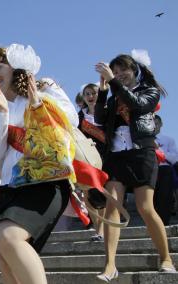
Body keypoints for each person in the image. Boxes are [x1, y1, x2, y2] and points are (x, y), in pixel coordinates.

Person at [0, 44, 76, 284]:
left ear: (15, 67)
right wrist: (2, 110)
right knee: (3, 254)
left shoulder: (44, 88)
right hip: (10, 188)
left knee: (10, 237)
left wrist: (37, 104)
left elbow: (70, 120)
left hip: (45, 181)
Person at [94, 51, 175, 281]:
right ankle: (110, 265)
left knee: (145, 208)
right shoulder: (112, 96)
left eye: (123, 71)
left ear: (134, 70)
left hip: (141, 154)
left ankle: (166, 258)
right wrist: (102, 91)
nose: (119, 75)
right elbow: (100, 119)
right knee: (112, 209)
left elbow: (137, 105)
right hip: (116, 157)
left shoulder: (150, 91)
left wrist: (113, 82)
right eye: (115, 72)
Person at [78, 83, 107, 241]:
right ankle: (98, 229)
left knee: (102, 193)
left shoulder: (106, 112)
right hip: (87, 158)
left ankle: (104, 228)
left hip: (104, 157)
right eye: (87, 94)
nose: (90, 97)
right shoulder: (79, 116)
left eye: (93, 93)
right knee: (87, 193)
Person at [153, 115, 178, 225]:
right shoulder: (143, 139)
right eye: (152, 123)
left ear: (161, 124)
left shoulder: (168, 140)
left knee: (164, 196)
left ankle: (164, 222)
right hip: (149, 170)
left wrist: (159, 150)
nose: (154, 125)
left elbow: (174, 158)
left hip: (164, 169)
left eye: (157, 123)